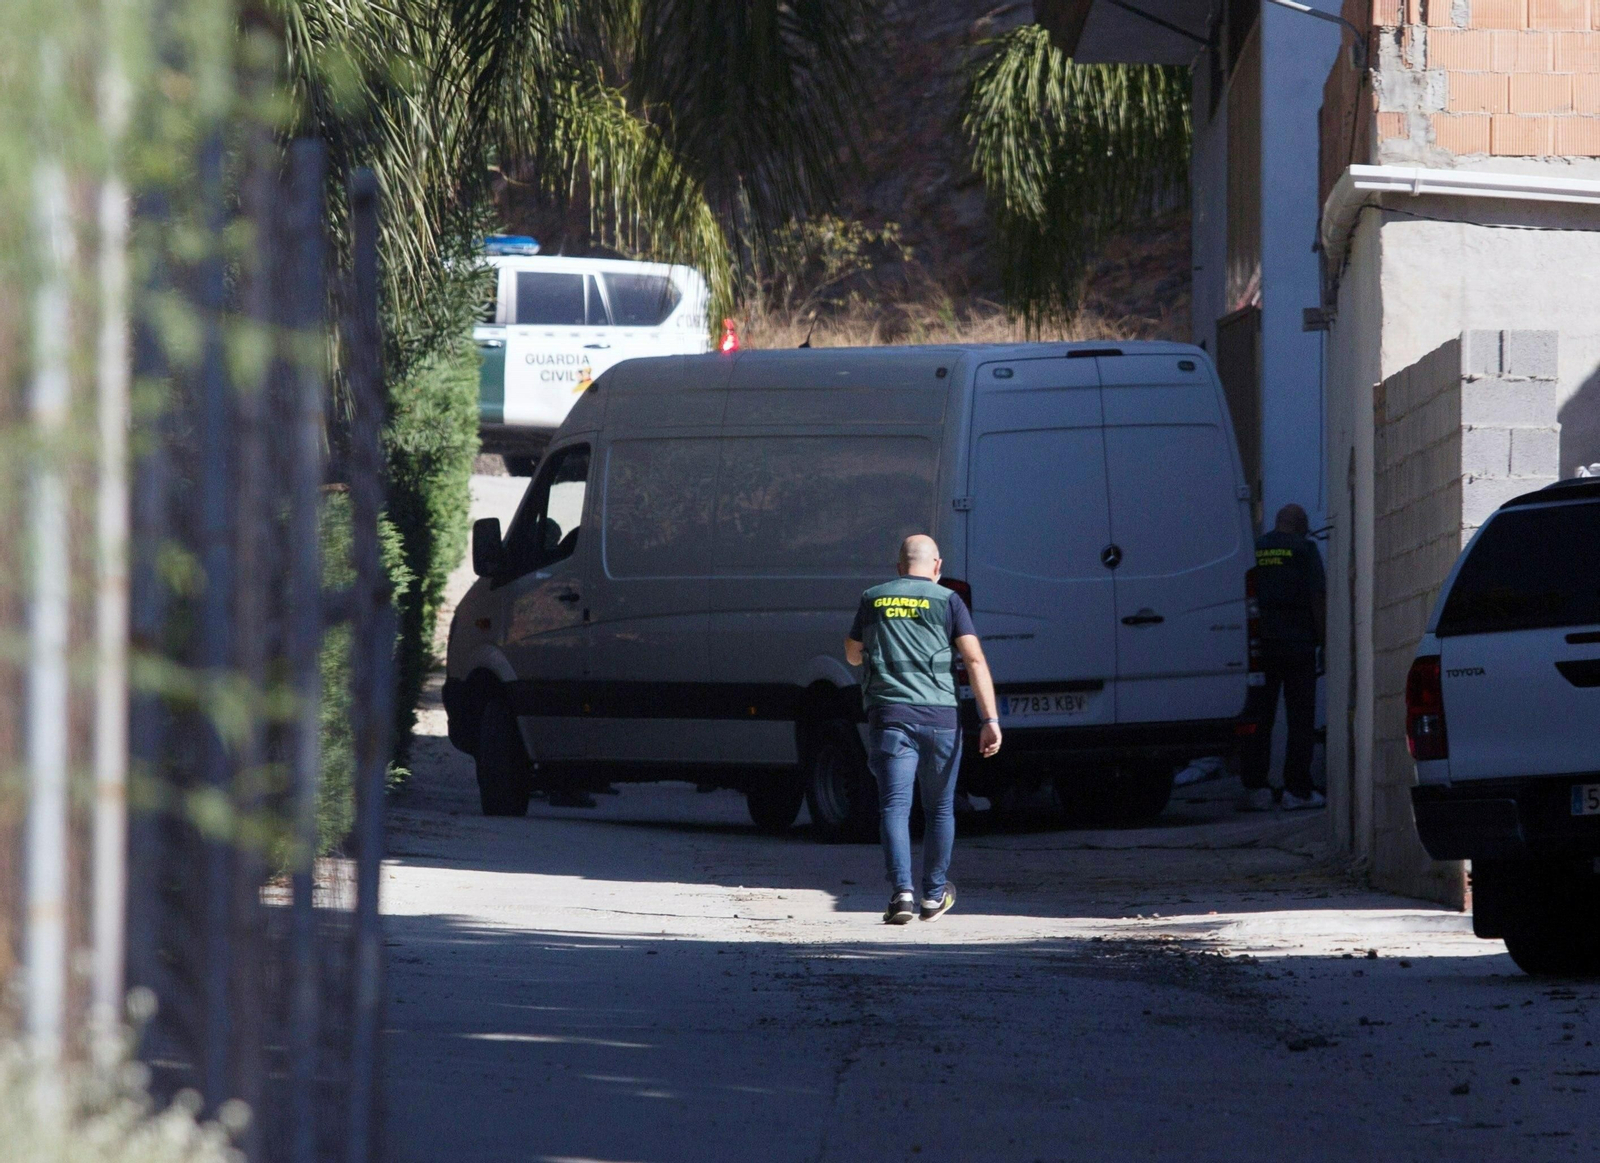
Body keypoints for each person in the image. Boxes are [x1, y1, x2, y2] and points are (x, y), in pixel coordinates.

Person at [845, 535, 1002, 925]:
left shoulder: (873, 598)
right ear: (937, 566)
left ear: (899, 567)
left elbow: (851, 653)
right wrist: (990, 720)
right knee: (940, 808)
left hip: (890, 715)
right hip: (941, 719)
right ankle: (933, 896)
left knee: (894, 807)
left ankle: (901, 894)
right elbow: (974, 660)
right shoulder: (948, 600)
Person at [1241, 503, 1326, 812]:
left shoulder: (1257, 548)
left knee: (1259, 718)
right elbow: (1317, 597)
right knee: (1300, 719)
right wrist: (1325, 641)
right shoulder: (1305, 549)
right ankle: (1297, 790)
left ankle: (1256, 789)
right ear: (1301, 525)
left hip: (1261, 646)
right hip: (1298, 645)